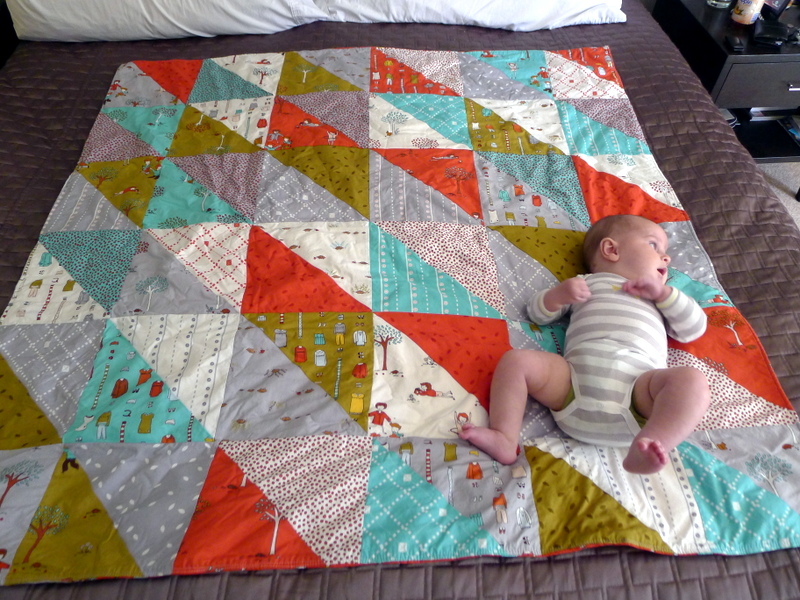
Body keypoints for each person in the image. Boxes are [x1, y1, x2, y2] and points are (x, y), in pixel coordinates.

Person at [459, 214, 710, 474]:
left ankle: (653, 443)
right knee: (516, 361)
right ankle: (504, 436)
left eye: (665, 252)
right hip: (573, 389)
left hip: (637, 395)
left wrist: (664, 294)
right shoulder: (585, 283)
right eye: (653, 245)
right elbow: (537, 314)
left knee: (693, 382)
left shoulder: (663, 300)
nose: (666, 258)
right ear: (611, 250)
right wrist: (559, 295)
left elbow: (693, 329)